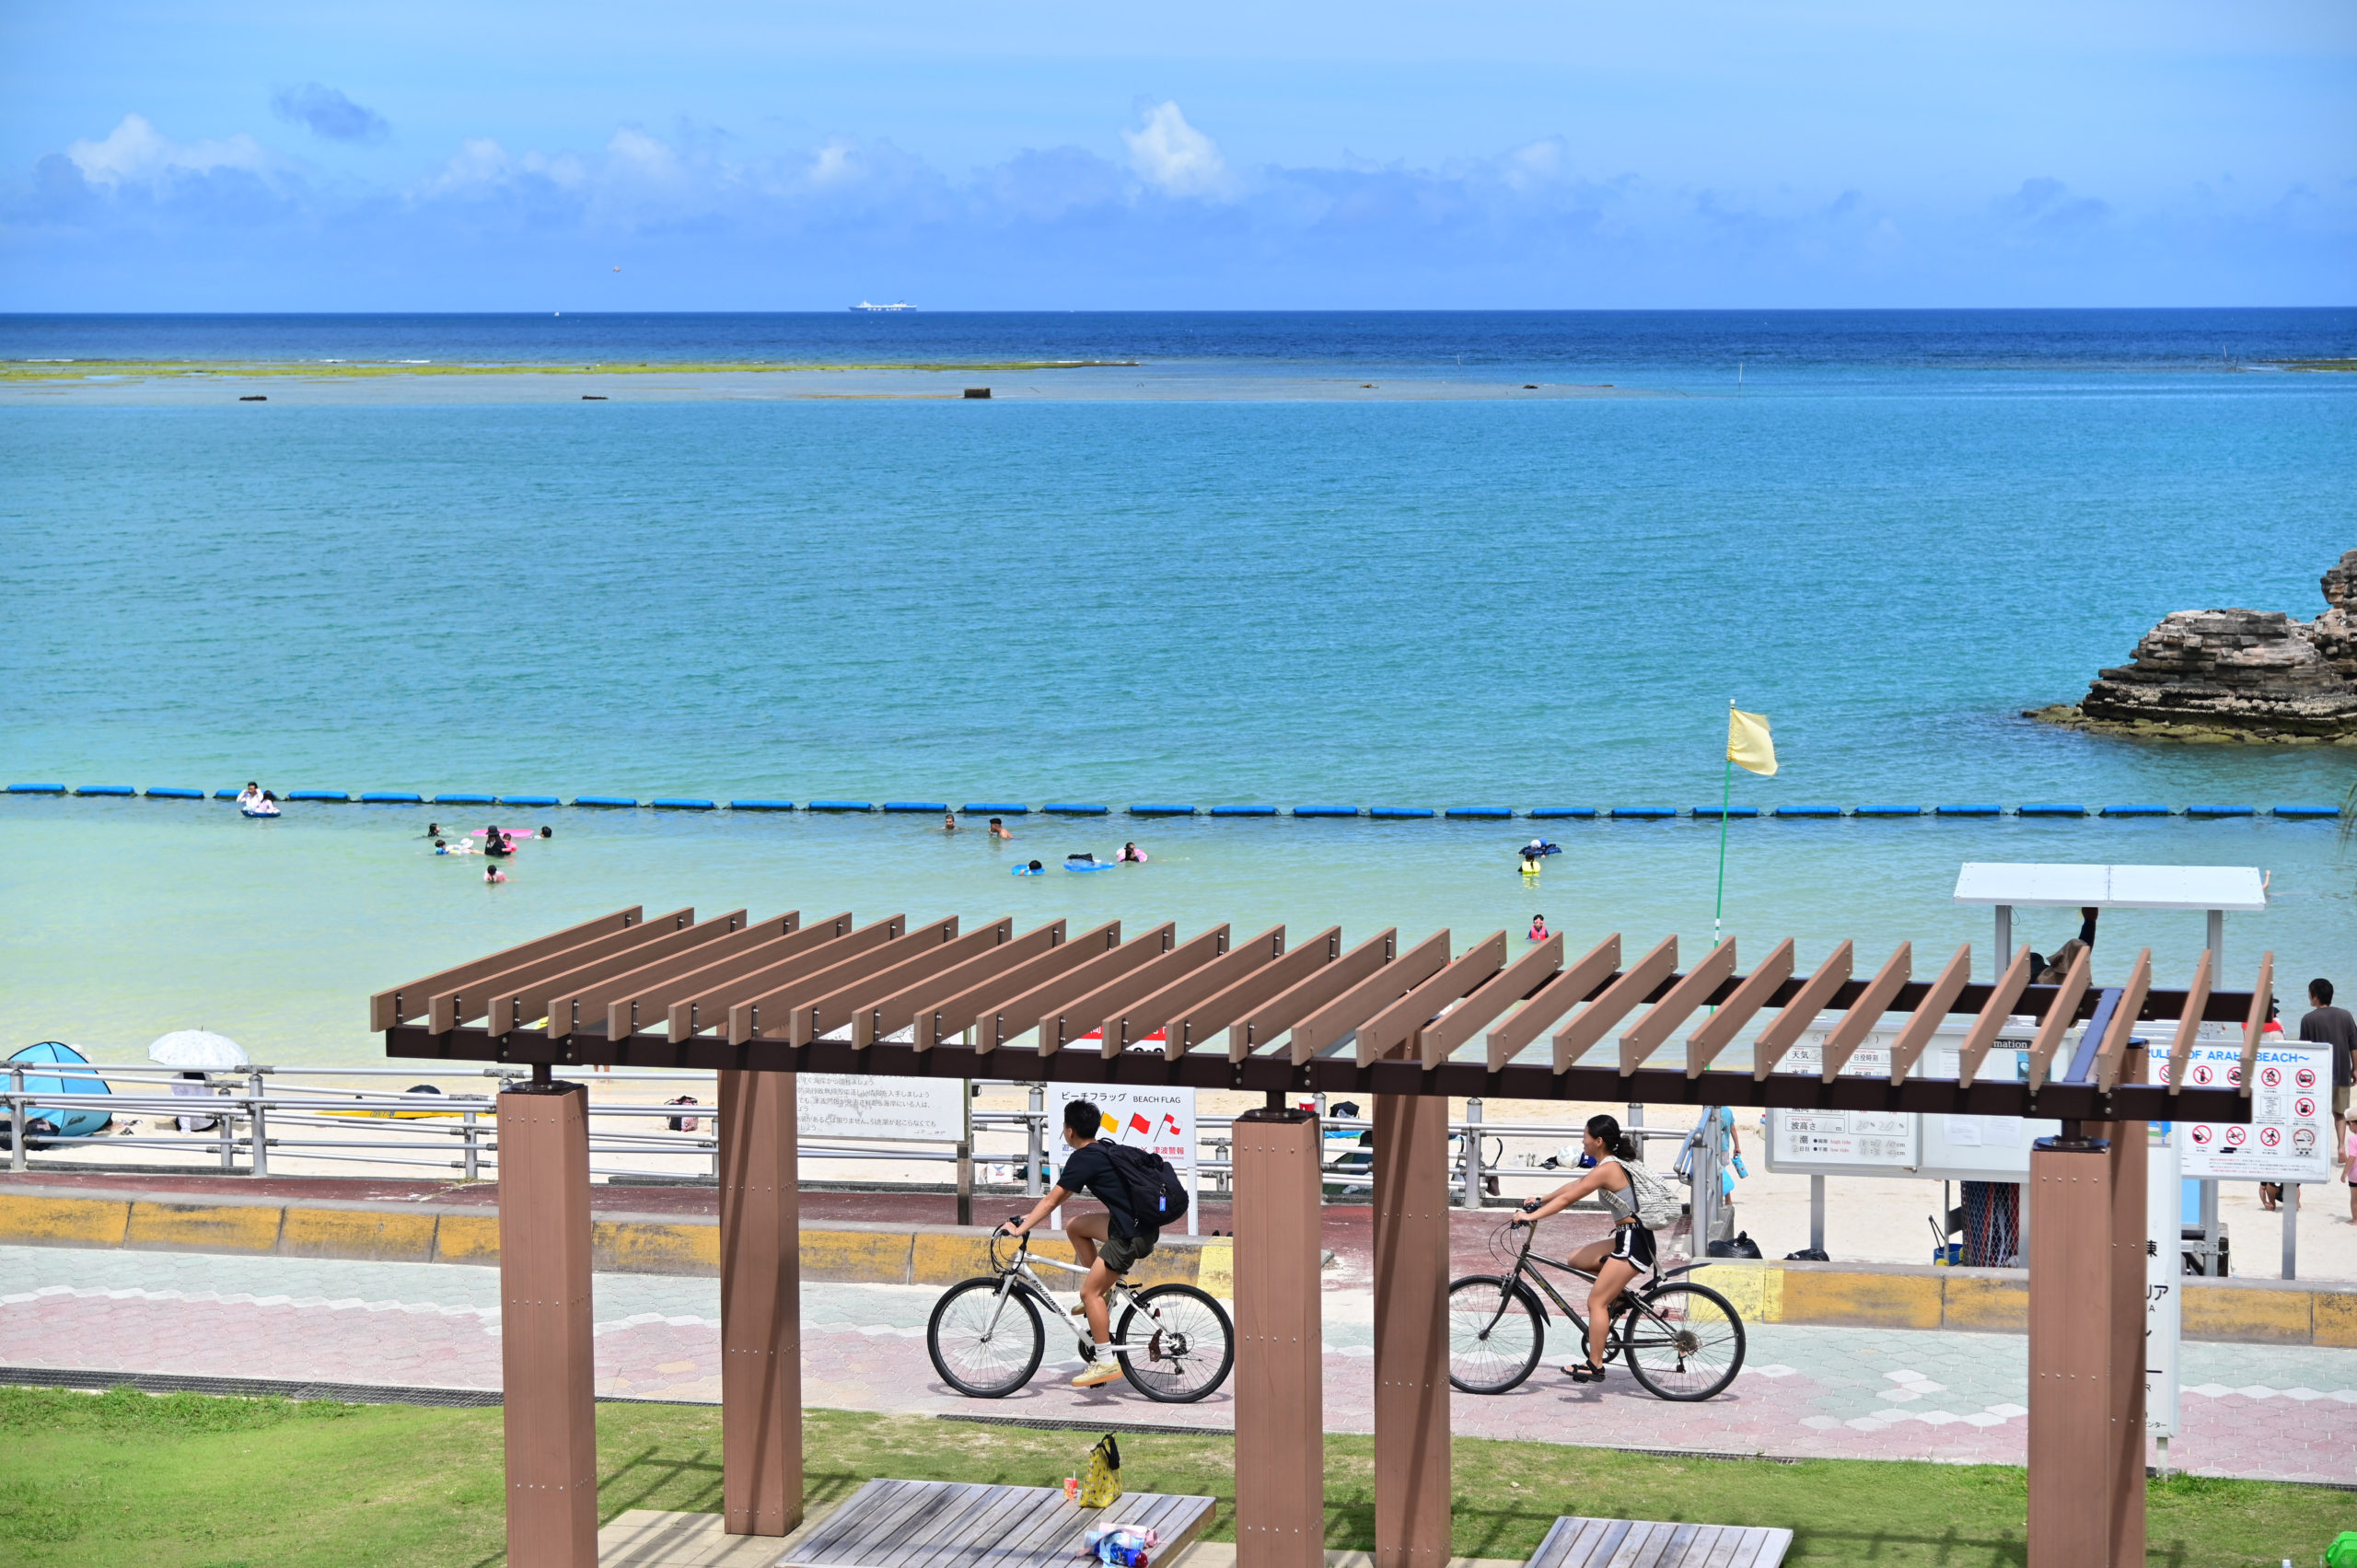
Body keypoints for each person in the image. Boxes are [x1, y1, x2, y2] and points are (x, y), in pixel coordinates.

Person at [998, 1100, 1158, 1388]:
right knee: (1075, 1226)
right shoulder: (1103, 1149)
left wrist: (1020, 1229)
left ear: (1070, 1131)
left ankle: (1105, 1362)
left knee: (1088, 1293)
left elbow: (1052, 1200)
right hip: (1140, 1226)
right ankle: (1104, 1292)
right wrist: (1028, 1219)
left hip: (1129, 1235)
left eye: (1064, 1127)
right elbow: (1056, 1201)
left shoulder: (1083, 1158)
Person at [1511, 1113, 1663, 1382]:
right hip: (1628, 1237)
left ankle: (1595, 1365)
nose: (1583, 1142)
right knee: (1576, 1260)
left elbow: (1570, 1198)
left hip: (1633, 1242)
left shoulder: (1608, 1169)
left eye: (1585, 1136)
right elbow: (1577, 1184)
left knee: (1596, 1302)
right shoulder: (1607, 1164)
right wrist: (1541, 1199)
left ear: (1599, 1141)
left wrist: (1531, 1216)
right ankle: (1620, 1297)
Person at [2300, 978, 2357, 1167]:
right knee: (2339, 1114)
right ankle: (2341, 1147)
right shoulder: (2346, 1016)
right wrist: (2355, 1068)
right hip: (2341, 1073)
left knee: (2316, 1113)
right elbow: (2354, 1045)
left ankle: (2318, 1149)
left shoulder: (2308, 1019)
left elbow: (2304, 1050)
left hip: (2317, 1076)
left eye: (2310, 993)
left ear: (2315, 996)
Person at [2259, 998, 2288, 1209]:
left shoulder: (2250, 1028)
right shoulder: (2276, 1029)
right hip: (2275, 1079)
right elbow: (2283, 1054)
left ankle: (2268, 1200)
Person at [2029, 908, 2100, 984]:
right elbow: (2079, 949)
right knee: (2075, 945)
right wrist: (2090, 920)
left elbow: (2080, 950)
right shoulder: (2054, 981)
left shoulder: (2027, 984)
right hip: (2047, 979)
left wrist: (2090, 921)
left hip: (2038, 979)